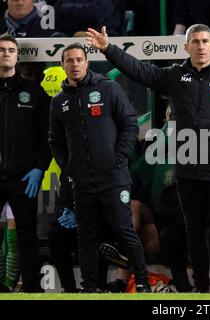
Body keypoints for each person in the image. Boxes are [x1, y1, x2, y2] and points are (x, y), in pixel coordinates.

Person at [86, 24, 210, 293]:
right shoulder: (175, 76)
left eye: (205, 41)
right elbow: (141, 71)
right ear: (186, 46)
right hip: (188, 169)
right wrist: (109, 49)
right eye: (196, 42)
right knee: (195, 231)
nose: (201, 46)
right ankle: (201, 287)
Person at [48, 42, 150, 293]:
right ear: (63, 65)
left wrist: (119, 158)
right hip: (82, 182)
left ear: (87, 62)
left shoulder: (108, 88)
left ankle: (144, 284)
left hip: (114, 178)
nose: (74, 64)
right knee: (86, 237)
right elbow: (55, 141)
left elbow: (130, 124)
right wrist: (69, 168)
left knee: (124, 231)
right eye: (69, 60)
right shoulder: (59, 101)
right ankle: (89, 288)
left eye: (79, 59)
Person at [0, 33, 51, 292]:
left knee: (27, 238)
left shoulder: (33, 93)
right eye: (1, 49)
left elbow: (47, 135)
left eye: (10, 50)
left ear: (17, 57)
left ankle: (32, 291)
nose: (6, 53)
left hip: (23, 179)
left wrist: (39, 167)